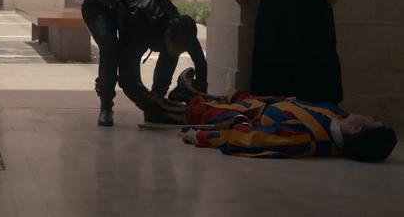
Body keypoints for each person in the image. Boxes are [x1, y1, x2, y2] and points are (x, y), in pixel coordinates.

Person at [73, 0, 207, 127]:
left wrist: (201, 96)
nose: (179, 52)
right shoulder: (141, 29)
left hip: (130, 8)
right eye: (178, 48)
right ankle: (106, 106)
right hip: (99, 7)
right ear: (168, 35)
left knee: (170, 56)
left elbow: (200, 62)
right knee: (111, 48)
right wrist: (156, 108)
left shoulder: (183, 29)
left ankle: (155, 106)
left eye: (183, 50)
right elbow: (128, 81)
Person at [169, 69, 397, 162]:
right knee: (234, 98)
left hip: (254, 116)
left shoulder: (305, 138)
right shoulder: (338, 116)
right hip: (267, 104)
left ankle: (178, 106)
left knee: (213, 113)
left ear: (356, 130)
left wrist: (201, 137)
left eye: (372, 120)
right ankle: (191, 93)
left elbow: (253, 140)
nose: (369, 115)